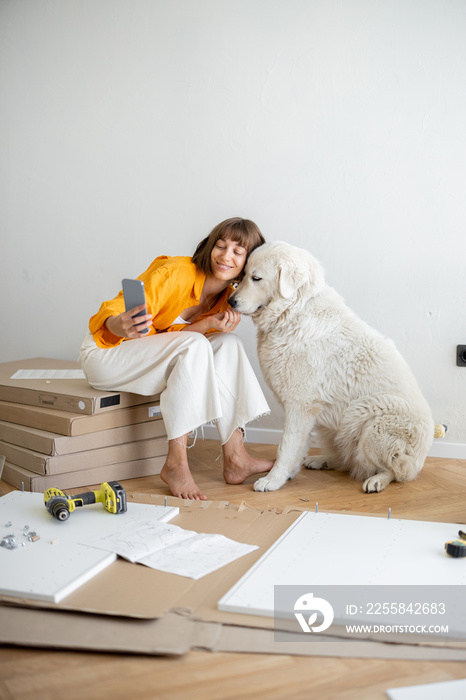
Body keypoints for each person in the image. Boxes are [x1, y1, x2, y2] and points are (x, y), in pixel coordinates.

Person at [79, 217, 274, 500]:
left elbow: (176, 340)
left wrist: (209, 326)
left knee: (228, 343)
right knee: (196, 343)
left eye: (237, 252)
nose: (225, 256)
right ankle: (176, 463)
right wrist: (116, 324)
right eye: (220, 246)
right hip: (106, 353)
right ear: (209, 247)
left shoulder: (226, 297)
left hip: (145, 357)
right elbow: (114, 308)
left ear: (248, 263)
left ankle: (236, 458)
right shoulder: (176, 272)